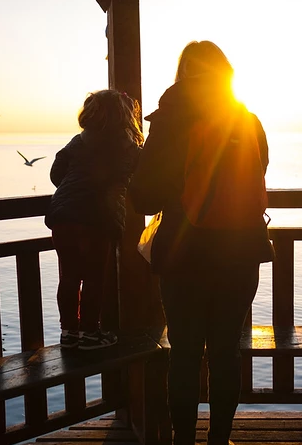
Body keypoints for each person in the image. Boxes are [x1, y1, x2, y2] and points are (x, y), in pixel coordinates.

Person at [129, 41, 274, 445]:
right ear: (226, 73)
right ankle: (220, 439)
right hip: (241, 251)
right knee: (226, 352)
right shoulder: (247, 119)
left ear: (184, 74)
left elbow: (144, 196)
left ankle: (183, 441)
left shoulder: (172, 117)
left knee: (186, 354)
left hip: (184, 254)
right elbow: (258, 171)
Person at [45, 90, 143, 350]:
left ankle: (68, 333)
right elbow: (140, 176)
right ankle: (90, 332)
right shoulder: (128, 145)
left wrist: (72, 190)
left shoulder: (79, 141)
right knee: (94, 278)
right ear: (125, 115)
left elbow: (57, 173)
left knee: (69, 276)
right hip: (99, 219)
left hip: (63, 217)